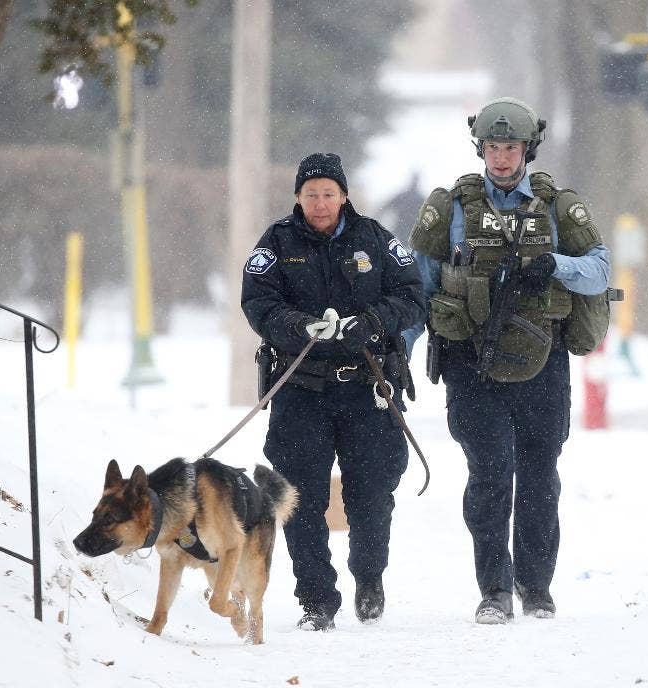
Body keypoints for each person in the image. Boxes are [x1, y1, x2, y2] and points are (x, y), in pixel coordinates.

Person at [405, 98, 611, 624]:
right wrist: (400, 354)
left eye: (511, 147)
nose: (501, 158)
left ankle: (535, 587)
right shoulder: (451, 207)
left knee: (541, 476)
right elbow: (417, 287)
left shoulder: (559, 206)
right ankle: (494, 589)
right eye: (493, 147)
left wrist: (555, 264)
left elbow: (599, 272)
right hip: (470, 361)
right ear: (481, 148)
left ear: (528, 150)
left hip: (543, 359)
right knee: (491, 473)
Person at [241, 152, 426, 631]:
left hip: (368, 390)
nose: (320, 204)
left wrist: (373, 322)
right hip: (301, 392)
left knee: (372, 495)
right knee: (299, 500)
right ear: (298, 198)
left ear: (344, 195)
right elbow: (258, 303)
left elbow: (411, 297)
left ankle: (369, 578)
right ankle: (317, 599)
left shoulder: (375, 239)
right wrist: (299, 327)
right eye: (310, 194)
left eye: (328, 193)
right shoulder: (276, 243)